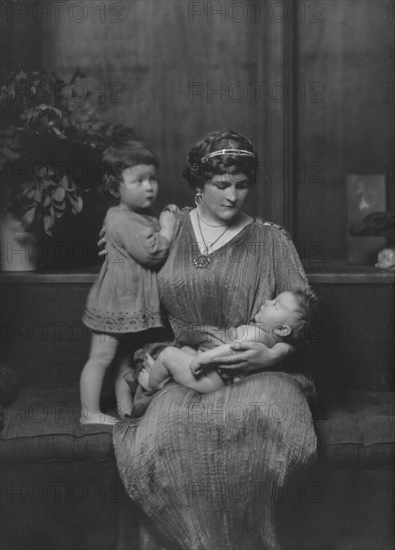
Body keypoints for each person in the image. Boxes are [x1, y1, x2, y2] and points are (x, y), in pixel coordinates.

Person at [112, 130, 318, 550]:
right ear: (198, 184)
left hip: (260, 370)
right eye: (222, 185)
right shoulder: (166, 233)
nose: (233, 196)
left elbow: (300, 322)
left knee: (261, 421)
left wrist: (266, 355)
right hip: (186, 364)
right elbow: (124, 293)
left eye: (242, 185)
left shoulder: (272, 240)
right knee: (173, 430)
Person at [80, 141, 177, 424]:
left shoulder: (137, 215)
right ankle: (89, 413)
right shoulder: (124, 219)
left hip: (127, 306)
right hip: (113, 306)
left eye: (152, 179)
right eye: (138, 180)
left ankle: (125, 408)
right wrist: (168, 228)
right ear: (115, 189)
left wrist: (167, 216)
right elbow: (153, 253)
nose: (149, 187)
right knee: (100, 358)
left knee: (124, 359)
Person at [138, 288, 317, 394]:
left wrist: (204, 358)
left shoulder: (256, 336)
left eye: (276, 305)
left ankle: (152, 386)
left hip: (214, 381)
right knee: (185, 351)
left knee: (168, 355)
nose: (268, 301)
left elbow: (231, 349)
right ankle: (165, 378)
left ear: (281, 329)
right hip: (216, 375)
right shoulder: (266, 337)